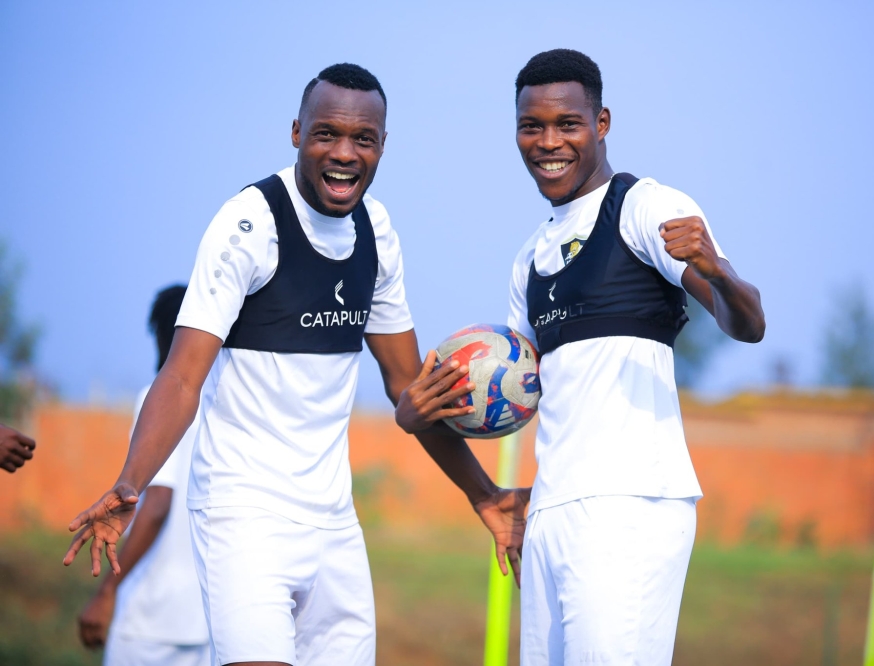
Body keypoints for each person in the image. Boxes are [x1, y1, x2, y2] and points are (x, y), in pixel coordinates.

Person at [64, 63, 526, 666]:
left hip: (333, 520)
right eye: (325, 134)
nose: (344, 153)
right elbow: (180, 378)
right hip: (243, 511)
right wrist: (131, 483)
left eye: (363, 139)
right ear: (295, 133)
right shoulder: (248, 225)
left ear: (383, 145)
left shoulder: (376, 231)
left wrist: (483, 493)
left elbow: (405, 387)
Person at [502, 49, 764, 665]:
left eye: (567, 123)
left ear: (602, 122)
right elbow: (519, 391)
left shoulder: (645, 206)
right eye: (530, 126)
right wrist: (447, 396)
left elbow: (747, 324)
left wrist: (717, 271)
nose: (548, 141)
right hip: (549, 511)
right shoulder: (527, 257)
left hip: (630, 504)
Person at [77, 285, 209, 665]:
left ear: (164, 334)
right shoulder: (222, 405)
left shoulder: (158, 399)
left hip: (152, 618)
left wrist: (106, 592)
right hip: (207, 618)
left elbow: (156, 505)